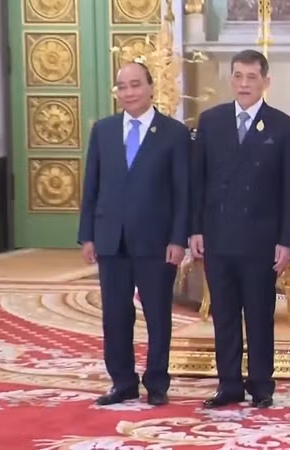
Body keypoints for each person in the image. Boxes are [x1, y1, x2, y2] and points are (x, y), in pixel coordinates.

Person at [190, 49, 290, 409]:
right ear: (230, 80)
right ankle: (229, 385)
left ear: (265, 81)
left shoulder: (284, 127)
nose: (244, 84)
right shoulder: (211, 121)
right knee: (223, 315)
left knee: (258, 315)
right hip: (218, 236)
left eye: (252, 77)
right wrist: (195, 230)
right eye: (238, 76)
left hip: (261, 240)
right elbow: (198, 181)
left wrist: (286, 240)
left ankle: (261, 385)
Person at [77, 62, 190, 407]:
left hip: (157, 241)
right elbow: (91, 186)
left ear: (151, 87)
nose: (128, 92)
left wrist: (178, 239)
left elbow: (183, 191)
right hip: (110, 238)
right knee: (115, 315)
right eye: (122, 86)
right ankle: (123, 382)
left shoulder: (174, 133)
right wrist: (87, 235)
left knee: (157, 315)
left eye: (136, 84)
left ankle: (156, 382)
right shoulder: (104, 130)